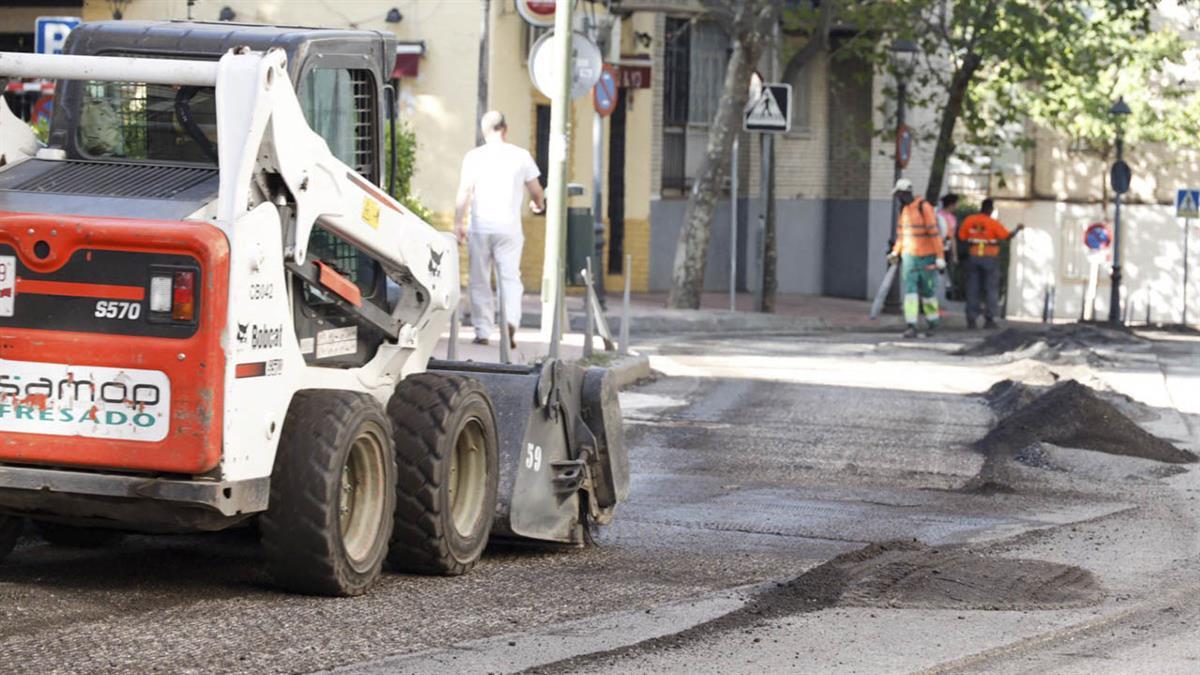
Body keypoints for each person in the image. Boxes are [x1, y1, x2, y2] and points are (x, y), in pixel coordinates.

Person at [454, 111, 546, 348]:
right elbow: (536, 189)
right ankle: (509, 321)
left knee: (479, 280)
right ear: (505, 130)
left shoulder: (474, 157)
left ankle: (483, 330)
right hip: (509, 228)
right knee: (510, 278)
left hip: (480, 227)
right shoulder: (521, 156)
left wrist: (458, 223)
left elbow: (464, 191)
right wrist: (538, 202)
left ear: (484, 132)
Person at [888, 178, 945, 338]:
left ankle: (933, 322)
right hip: (909, 257)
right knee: (910, 292)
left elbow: (934, 234)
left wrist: (940, 256)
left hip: (926, 257)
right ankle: (911, 325)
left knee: (927, 292)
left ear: (905, 192)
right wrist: (895, 252)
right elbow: (901, 236)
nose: (898, 198)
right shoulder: (904, 211)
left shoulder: (923, 207)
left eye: (899, 194)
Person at [957, 198, 1023, 329]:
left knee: (972, 288)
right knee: (990, 289)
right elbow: (1006, 237)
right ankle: (990, 319)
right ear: (990, 209)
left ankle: (971, 319)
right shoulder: (993, 223)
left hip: (973, 256)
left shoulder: (969, 220)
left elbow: (961, 237)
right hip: (989, 258)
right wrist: (1017, 229)